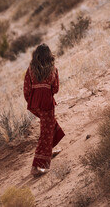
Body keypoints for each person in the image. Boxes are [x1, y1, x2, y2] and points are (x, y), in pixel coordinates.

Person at [23, 43, 65, 176]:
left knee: (49, 124)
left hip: (34, 103)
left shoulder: (31, 69)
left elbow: (26, 89)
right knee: (45, 132)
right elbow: (55, 89)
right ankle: (35, 167)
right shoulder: (53, 69)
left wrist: (32, 100)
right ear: (49, 55)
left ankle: (49, 150)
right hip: (46, 103)